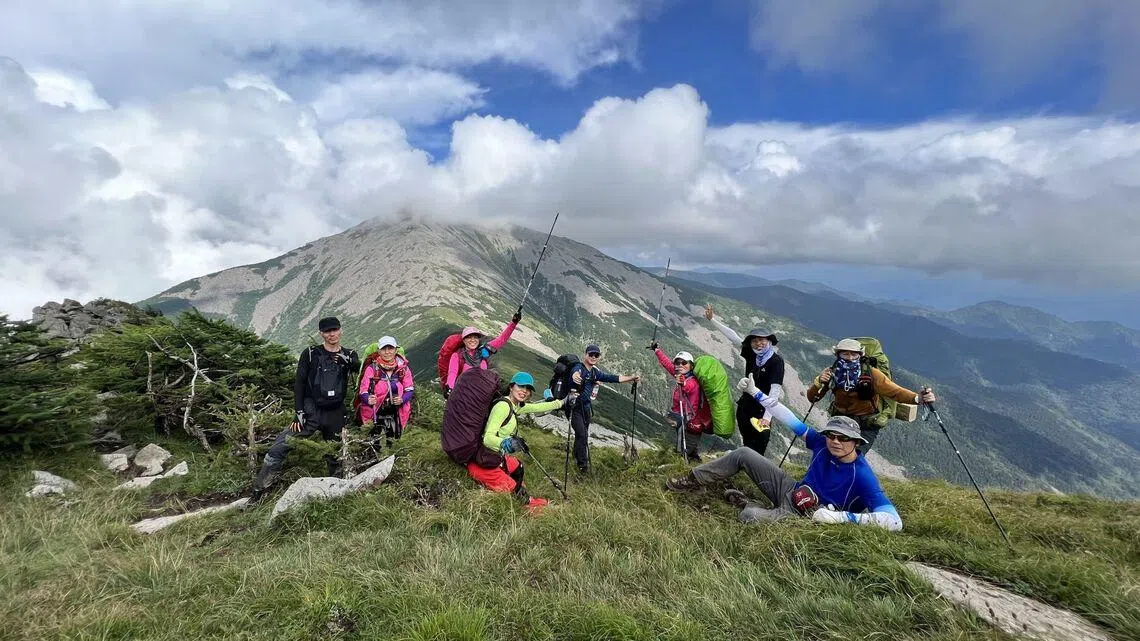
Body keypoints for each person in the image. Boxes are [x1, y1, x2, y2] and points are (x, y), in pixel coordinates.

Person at [667, 414, 902, 531]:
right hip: (792, 490)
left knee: (749, 517)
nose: (835, 441)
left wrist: (840, 518)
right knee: (744, 453)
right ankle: (693, 479)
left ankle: (749, 505)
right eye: (831, 435)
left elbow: (894, 521)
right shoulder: (822, 444)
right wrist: (759, 395)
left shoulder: (862, 476)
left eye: (844, 438)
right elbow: (793, 422)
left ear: (856, 442)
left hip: (808, 516)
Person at [251, 317, 360, 500]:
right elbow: (300, 383)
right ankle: (258, 493)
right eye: (327, 331)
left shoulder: (350, 354)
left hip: (336, 411)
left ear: (341, 330)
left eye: (335, 330)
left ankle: (336, 494)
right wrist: (299, 412)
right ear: (321, 334)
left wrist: (348, 362)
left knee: (335, 454)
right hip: (311, 410)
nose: (332, 334)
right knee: (280, 446)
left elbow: (359, 369)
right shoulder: (310, 353)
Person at [807, 338, 936, 451]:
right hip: (841, 421)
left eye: (854, 354)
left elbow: (895, 392)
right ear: (838, 355)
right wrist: (819, 382)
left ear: (860, 355)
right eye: (845, 354)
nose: (850, 358)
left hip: (866, 424)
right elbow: (812, 398)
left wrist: (918, 398)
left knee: (855, 456)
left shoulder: (871, 374)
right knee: (832, 453)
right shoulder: (831, 373)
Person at [468, 371, 568, 513]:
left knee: (518, 466)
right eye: (521, 386)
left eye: (528, 389)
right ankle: (527, 503)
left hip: (495, 456)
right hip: (482, 462)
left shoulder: (515, 406)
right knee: (516, 492)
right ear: (511, 386)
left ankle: (520, 491)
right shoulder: (503, 407)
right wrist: (507, 443)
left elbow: (536, 407)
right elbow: (488, 438)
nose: (524, 391)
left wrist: (562, 402)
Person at [703, 304, 785, 455]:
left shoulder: (776, 362)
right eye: (754, 341)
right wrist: (712, 320)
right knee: (747, 442)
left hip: (762, 409)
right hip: (745, 406)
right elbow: (734, 337)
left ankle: (753, 467)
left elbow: (775, 390)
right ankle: (744, 465)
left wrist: (767, 417)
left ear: (769, 340)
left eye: (762, 340)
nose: (758, 344)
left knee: (758, 447)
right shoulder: (752, 354)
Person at [566, 343, 640, 473]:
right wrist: (575, 376)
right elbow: (575, 372)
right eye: (591, 354)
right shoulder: (579, 367)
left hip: (586, 408)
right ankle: (583, 467)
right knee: (582, 434)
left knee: (581, 434)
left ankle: (576, 457)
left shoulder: (595, 373)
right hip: (574, 408)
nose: (593, 357)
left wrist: (631, 378)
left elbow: (612, 378)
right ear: (585, 355)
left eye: (596, 355)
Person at [648, 342, 708, 462]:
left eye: (684, 363)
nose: (680, 365)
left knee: (684, 448)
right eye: (677, 363)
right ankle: (694, 461)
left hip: (690, 421)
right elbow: (667, 364)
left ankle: (681, 464)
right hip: (681, 418)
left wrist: (682, 383)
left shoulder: (692, 381)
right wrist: (657, 350)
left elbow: (688, 386)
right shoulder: (680, 374)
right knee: (689, 447)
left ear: (691, 366)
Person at [443, 310, 522, 398]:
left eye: (475, 337)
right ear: (464, 340)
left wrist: (513, 323)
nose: (473, 340)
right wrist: (450, 388)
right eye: (469, 337)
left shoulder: (483, 350)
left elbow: (501, 339)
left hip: (482, 394)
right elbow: (452, 373)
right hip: (464, 394)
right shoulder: (457, 356)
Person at [357, 336, 413, 444]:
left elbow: (409, 389)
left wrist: (402, 399)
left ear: (396, 350)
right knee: (375, 441)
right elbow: (363, 390)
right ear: (379, 351)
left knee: (394, 440)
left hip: (396, 411)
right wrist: (368, 399)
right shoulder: (372, 368)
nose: (387, 352)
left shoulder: (403, 369)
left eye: (390, 348)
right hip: (375, 411)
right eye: (383, 349)